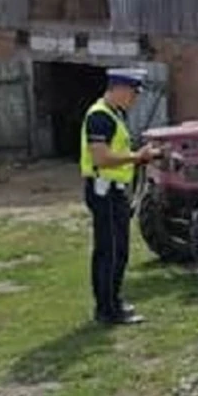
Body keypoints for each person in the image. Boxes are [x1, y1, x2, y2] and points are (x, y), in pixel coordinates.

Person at [80, 67, 159, 326]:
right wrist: (138, 157)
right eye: (133, 93)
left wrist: (141, 155)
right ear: (120, 89)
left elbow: (118, 150)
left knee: (117, 250)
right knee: (110, 251)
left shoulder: (114, 114)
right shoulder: (99, 117)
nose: (134, 99)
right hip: (104, 190)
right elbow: (101, 157)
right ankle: (107, 309)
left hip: (114, 190)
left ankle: (112, 301)